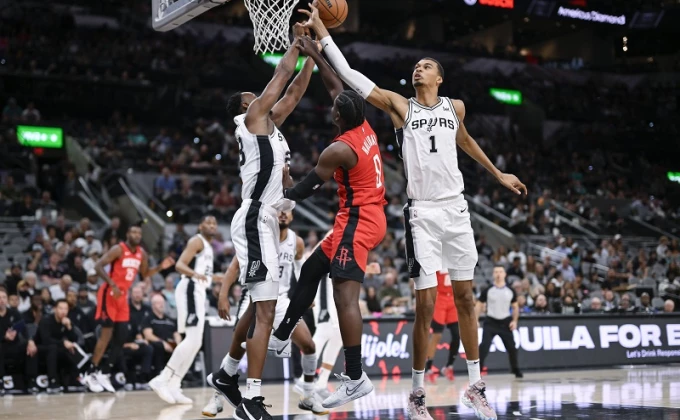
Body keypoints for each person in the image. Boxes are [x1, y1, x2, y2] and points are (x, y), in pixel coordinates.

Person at [299, 4, 527, 419]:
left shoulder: (455, 108)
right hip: (422, 214)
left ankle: (475, 387)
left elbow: (465, 141)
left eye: (426, 66)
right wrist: (324, 35)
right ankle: (417, 393)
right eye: (416, 65)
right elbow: (350, 76)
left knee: (465, 298)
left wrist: (498, 174)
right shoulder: (400, 107)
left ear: (439, 78)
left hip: (457, 210)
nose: (418, 68)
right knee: (425, 304)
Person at [267, 34, 387, 410]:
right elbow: (336, 84)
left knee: (343, 297)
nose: (333, 104)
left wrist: (279, 199)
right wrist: (315, 53)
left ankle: (355, 377)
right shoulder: (364, 127)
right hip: (363, 216)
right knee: (311, 269)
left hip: (359, 220)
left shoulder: (338, 149)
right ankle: (283, 334)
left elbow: (307, 186)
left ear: (337, 117)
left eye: (334, 108)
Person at [224, 23, 315, 420]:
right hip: (254, 216)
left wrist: (312, 57)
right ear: (245, 111)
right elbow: (280, 79)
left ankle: (227, 376)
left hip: (266, 218)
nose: (259, 99)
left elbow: (292, 92)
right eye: (253, 99)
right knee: (264, 312)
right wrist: (297, 43)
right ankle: (251, 399)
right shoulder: (250, 122)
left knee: (263, 308)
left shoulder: (271, 129)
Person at [203, 211, 327, 417]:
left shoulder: (296, 242)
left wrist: (306, 293)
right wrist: (223, 294)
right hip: (255, 296)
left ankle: (308, 395)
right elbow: (234, 267)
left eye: (288, 210)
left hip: (282, 300)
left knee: (309, 345)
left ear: (293, 215)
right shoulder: (261, 236)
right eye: (280, 210)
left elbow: (300, 270)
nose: (283, 214)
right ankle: (217, 395)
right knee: (239, 345)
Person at [83, 223, 174, 393]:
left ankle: (104, 371)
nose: (137, 235)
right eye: (133, 232)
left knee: (121, 336)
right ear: (127, 234)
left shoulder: (142, 253)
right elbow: (98, 266)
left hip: (122, 296)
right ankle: (90, 372)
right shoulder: (118, 249)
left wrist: (160, 267)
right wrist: (112, 284)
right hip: (110, 293)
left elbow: (145, 274)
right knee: (106, 335)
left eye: (139, 232)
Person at [150, 215, 222, 404]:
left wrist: (217, 278)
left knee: (195, 342)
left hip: (198, 290)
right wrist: (195, 274)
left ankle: (175, 384)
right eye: (208, 222)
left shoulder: (208, 247)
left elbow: (203, 274)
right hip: (190, 288)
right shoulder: (196, 241)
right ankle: (162, 379)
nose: (212, 225)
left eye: (214, 223)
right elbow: (180, 265)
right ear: (200, 225)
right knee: (192, 339)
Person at [476, 266, 522, 378]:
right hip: (490, 321)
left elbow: (515, 307)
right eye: (496, 272)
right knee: (484, 347)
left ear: (504, 274)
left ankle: (515, 369)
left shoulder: (510, 290)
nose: (498, 274)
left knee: (512, 347)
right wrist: (475, 319)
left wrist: (514, 321)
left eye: (500, 272)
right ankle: (477, 371)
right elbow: (479, 305)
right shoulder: (488, 290)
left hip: (505, 322)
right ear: (493, 274)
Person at [35, 299, 87, 393]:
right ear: (55, 309)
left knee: (71, 349)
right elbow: (46, 340)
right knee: (53, 348)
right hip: (41, 348)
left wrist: (69, 327)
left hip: (57, 348)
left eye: (66, 309)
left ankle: (76, 378)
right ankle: (52, 380)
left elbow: (74, 339)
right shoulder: (46, 320)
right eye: (61, 308)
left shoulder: (66, 321)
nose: (63, 311)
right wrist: (63, 343)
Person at [0, 288, 38, 395]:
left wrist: (30, 341)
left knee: (30, 348)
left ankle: (31, 381)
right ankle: (1, 381)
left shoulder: (14, 313)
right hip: (2, 345)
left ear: (7, 299)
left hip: (14, 345)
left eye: (4, 297)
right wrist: (4, 337)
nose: (2, 300)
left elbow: (24, 329)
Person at [424, 271, 460, 382]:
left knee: (457, 335)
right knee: (437, 335)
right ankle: (428, 369)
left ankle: (449, 366)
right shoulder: (436, 263)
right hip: (439, 298)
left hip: (453, 298)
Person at [142, 294, 182, 378]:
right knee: (159, 346)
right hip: (157, 343)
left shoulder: (169, 319)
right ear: (153, 305)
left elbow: (176, 333)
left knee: (183, 347)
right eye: (158, 303)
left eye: (162, 302)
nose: (161, 305)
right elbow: (148, 335)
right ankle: (159, 372)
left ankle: (179, 374)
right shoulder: (148, 319)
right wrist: (163, 343)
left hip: (170, 343)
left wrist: (178, 343)